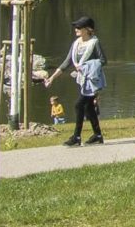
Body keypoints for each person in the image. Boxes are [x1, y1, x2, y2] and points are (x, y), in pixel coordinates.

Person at [41, 16, 107, 146]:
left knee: (79, 105)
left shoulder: (94, 43)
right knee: (89, 108)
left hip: (92, 81)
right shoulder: (76, 44)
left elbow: (103, 60)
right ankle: (97, 135)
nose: (76, 29)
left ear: (88, 29)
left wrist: (85, 66)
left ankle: (76, 137)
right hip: (82, 81)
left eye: (79, 27)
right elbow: (67, 62)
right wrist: (52, 78)